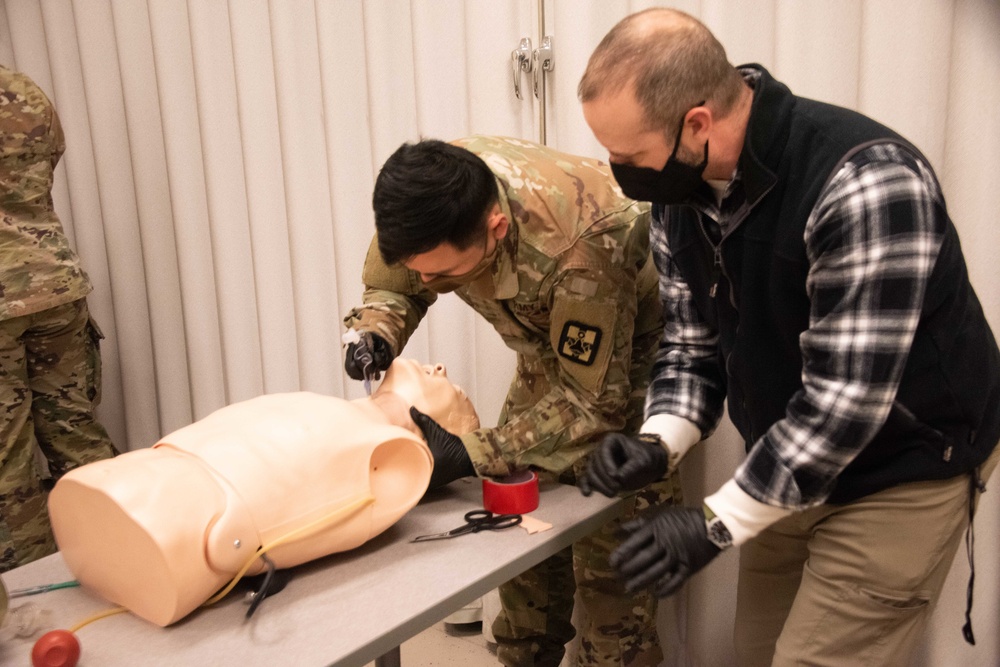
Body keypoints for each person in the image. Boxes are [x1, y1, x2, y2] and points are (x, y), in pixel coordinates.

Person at [575, 8, 1000, 667]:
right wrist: (659, 441)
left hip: (902, 462)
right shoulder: (680, 190)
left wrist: (715, 524)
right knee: (757, 654)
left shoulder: (864, 183)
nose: (617, 170)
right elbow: (691, 341)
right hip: (788, 453)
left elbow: (843, 404)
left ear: (697, 124)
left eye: (628, 155)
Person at [343, 135, 678, 666]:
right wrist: (377, 330)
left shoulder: (584, 247)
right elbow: (400, 280)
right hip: (551, 346)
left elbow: (595, 406)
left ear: (495, 227)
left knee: (614, 566)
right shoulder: (428, 196)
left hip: (634, 354)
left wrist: (469, 453)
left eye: (443, 275)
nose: (428, 282)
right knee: (520, 535)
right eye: (421, 269)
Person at [48, 358, 477, 626]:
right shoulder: (339, 411)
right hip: (130, 480)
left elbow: (303, 524)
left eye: (455, 392)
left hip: (172, 529)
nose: (440, 368)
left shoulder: (391, 455)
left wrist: (242, 553)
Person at [0, 65, 115, 573]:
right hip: (56, 284)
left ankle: (30, 596)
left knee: (7, 465)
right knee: (76, 431)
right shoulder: (24, 89)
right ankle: (125, 555)